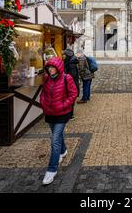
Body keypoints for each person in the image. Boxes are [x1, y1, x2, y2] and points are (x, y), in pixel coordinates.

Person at [40, 57, 78, 185]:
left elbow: (73, 94)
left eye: (53, 67)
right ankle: (63, 151)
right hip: (50, 114)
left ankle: (51, 170)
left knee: (54, 140)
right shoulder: (46, 79)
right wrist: (43, 104)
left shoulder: (67, 78)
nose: (51, 70)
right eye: (49, 67)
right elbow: (43, 93)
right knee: (57, 135)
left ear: (58, 68)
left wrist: (63, 105)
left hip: (62, 114)